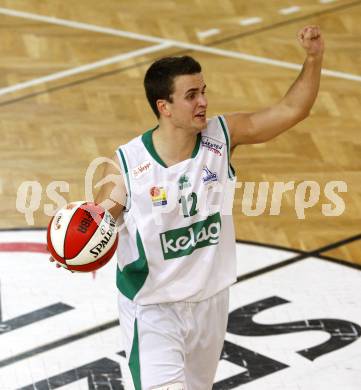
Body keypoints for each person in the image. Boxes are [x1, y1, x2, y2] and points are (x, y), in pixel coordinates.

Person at [52, 25, 324, 389]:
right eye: (191, 95)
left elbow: (293, 109)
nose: (203, 103)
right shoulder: (128, 163)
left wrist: (313, 58)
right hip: (153, 311)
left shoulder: (222, 135)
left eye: (203, 92)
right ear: (164, 106)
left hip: (210, 303)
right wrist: (77, 247)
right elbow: (105, 214)